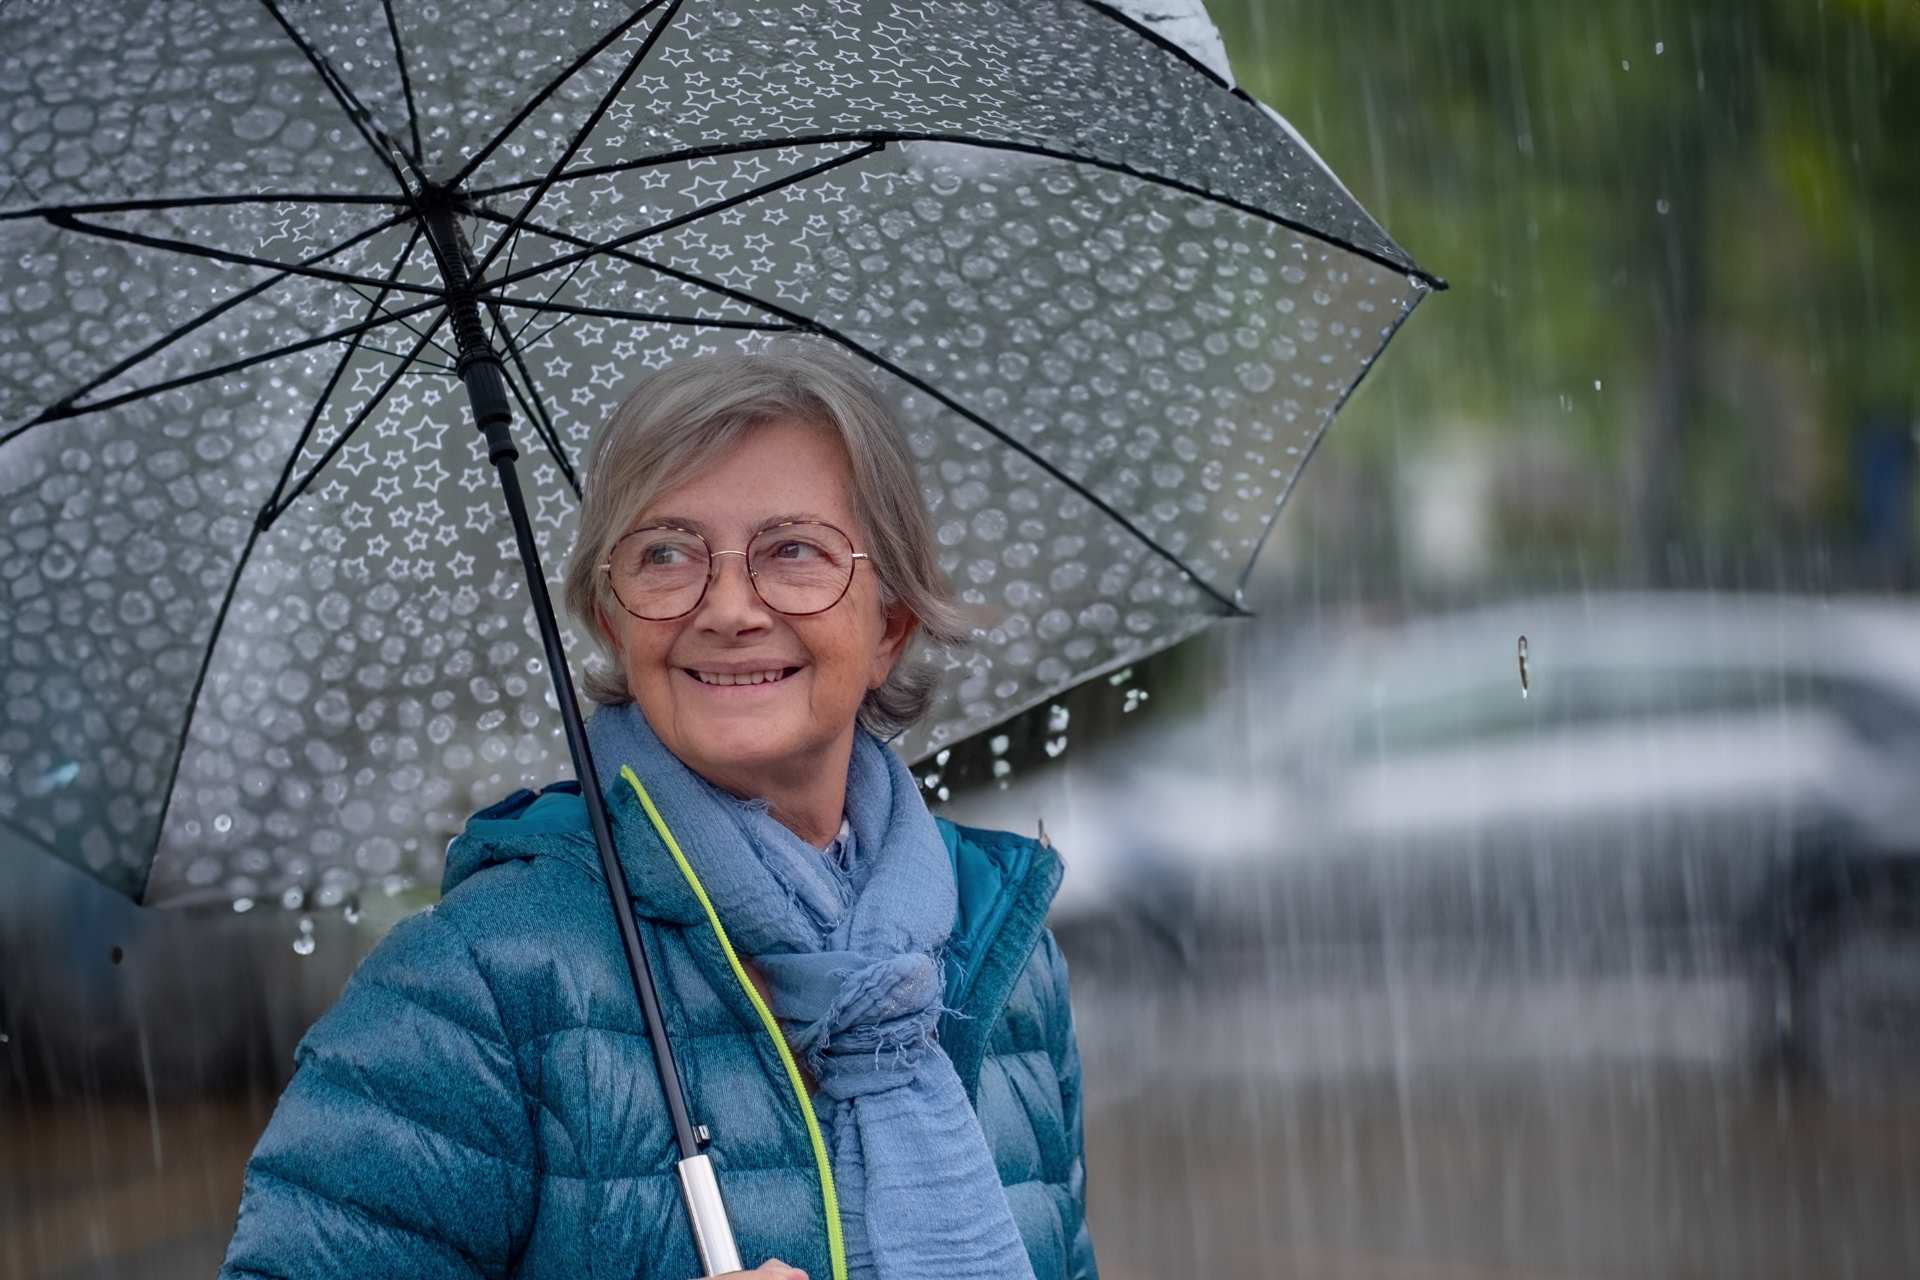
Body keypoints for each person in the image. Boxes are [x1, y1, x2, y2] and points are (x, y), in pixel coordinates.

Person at [218, 345, 1099, 1280]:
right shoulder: (478, 984)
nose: (727, 608)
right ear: (612, 619)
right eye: (666, 554)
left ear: (888, 625)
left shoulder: (1002, 959)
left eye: (792, 550)